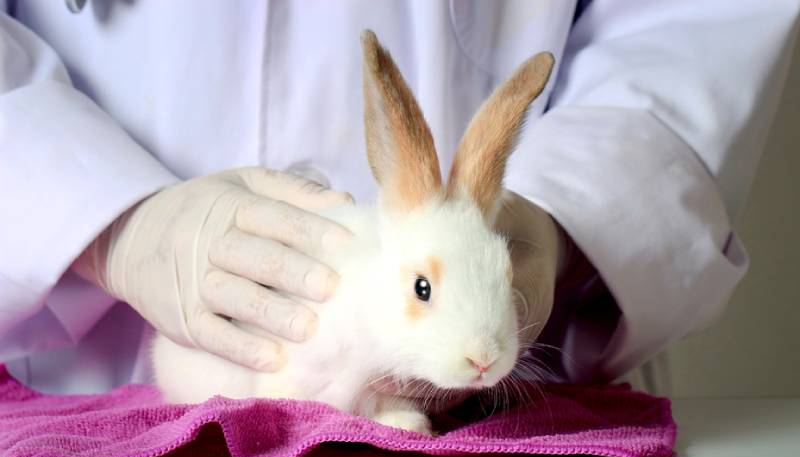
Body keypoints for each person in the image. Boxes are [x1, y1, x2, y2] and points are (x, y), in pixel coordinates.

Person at [1, 1, 798, 395]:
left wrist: (565, 219)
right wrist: (108, 226)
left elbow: (693, 24)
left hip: (521, 420)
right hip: (79, 377)